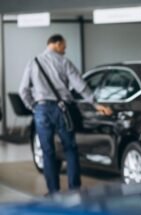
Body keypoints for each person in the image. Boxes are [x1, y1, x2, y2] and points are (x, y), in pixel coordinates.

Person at [19, 34, 112, 195]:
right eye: (64, 46)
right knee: (70, 149)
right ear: (56, 44)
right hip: (61, 109)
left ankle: (53, 192)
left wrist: (33, 106)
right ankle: (74, 189)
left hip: (41, 110)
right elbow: (80, 85)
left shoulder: (33, 62)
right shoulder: (64, 62)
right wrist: (96, 103)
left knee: (47, 151)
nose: (65, 49)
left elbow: (23, 90)